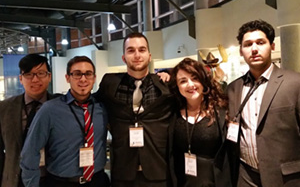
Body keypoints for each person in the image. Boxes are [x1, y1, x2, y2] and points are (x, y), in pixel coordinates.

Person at [94, 32, 175, 187]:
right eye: (131, 50)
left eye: (142, 50)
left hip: (158, 172)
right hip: (123, 173)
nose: (137, 55)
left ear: (149, 56)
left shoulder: (164, 86)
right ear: (124, 57)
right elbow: (91, 103)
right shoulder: (110, 84)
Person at [227, 19, 300, 187]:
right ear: (241, 50)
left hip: (287, 179)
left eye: (260, 42)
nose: (254, 49)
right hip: (245, 177)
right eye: (248, 44)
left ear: (272, 46)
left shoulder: (295, 83)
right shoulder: (233, 88)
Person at [20, 56, 109, 187]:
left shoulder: (102, 108)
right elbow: (30, 151)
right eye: (77, 74)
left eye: (88, 74)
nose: (83, 79)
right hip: (62, 182)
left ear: (94, 78)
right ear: (68, 78)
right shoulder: (50, 110)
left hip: (97, 181)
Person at [169, 58, 231, 187]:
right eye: (183, 81)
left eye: (195, 78)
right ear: (177, 86)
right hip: (183, 182)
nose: (190, 85)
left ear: (203, 81)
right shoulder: (173, 114)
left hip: (215, 182)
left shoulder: (221, 112)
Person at [0, 54, 54, 187]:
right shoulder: (4, 108)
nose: (35, 79)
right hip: (15, 179)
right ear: (20, 79)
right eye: (29, 74)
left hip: (52, 178)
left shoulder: (60, 106)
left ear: (49, 77)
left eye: (41, 73)